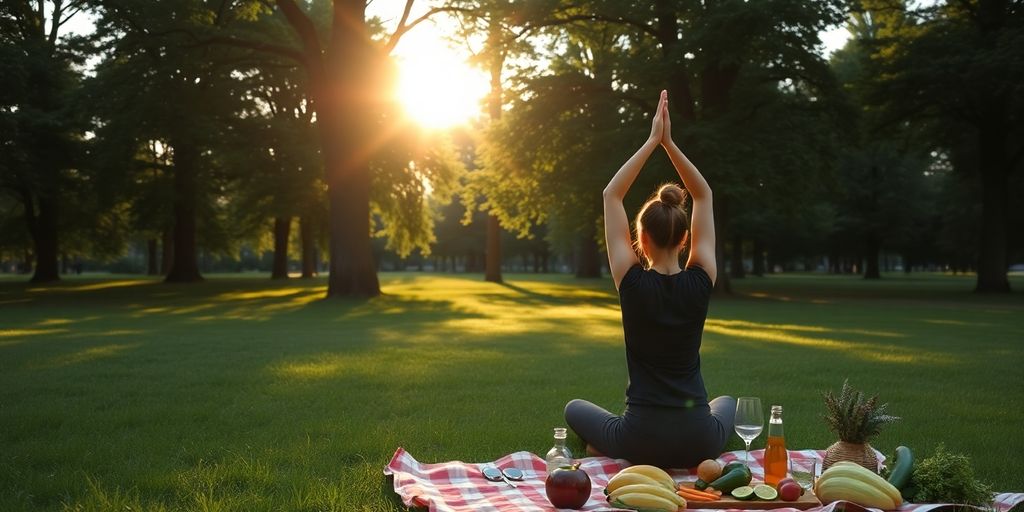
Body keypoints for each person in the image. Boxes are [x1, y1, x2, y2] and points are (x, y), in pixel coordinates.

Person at [563, 90, 735, 468]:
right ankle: (636, 448)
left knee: (574, 408)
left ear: (639, 240)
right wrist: (670, 144)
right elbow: (703, 195)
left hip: (639, 437)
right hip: (698, 440)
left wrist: (652, 141)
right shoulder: (703, 276)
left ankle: (612, 448)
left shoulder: (631, 281)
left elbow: (612, 195)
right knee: (727, 403)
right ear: (685, 238)